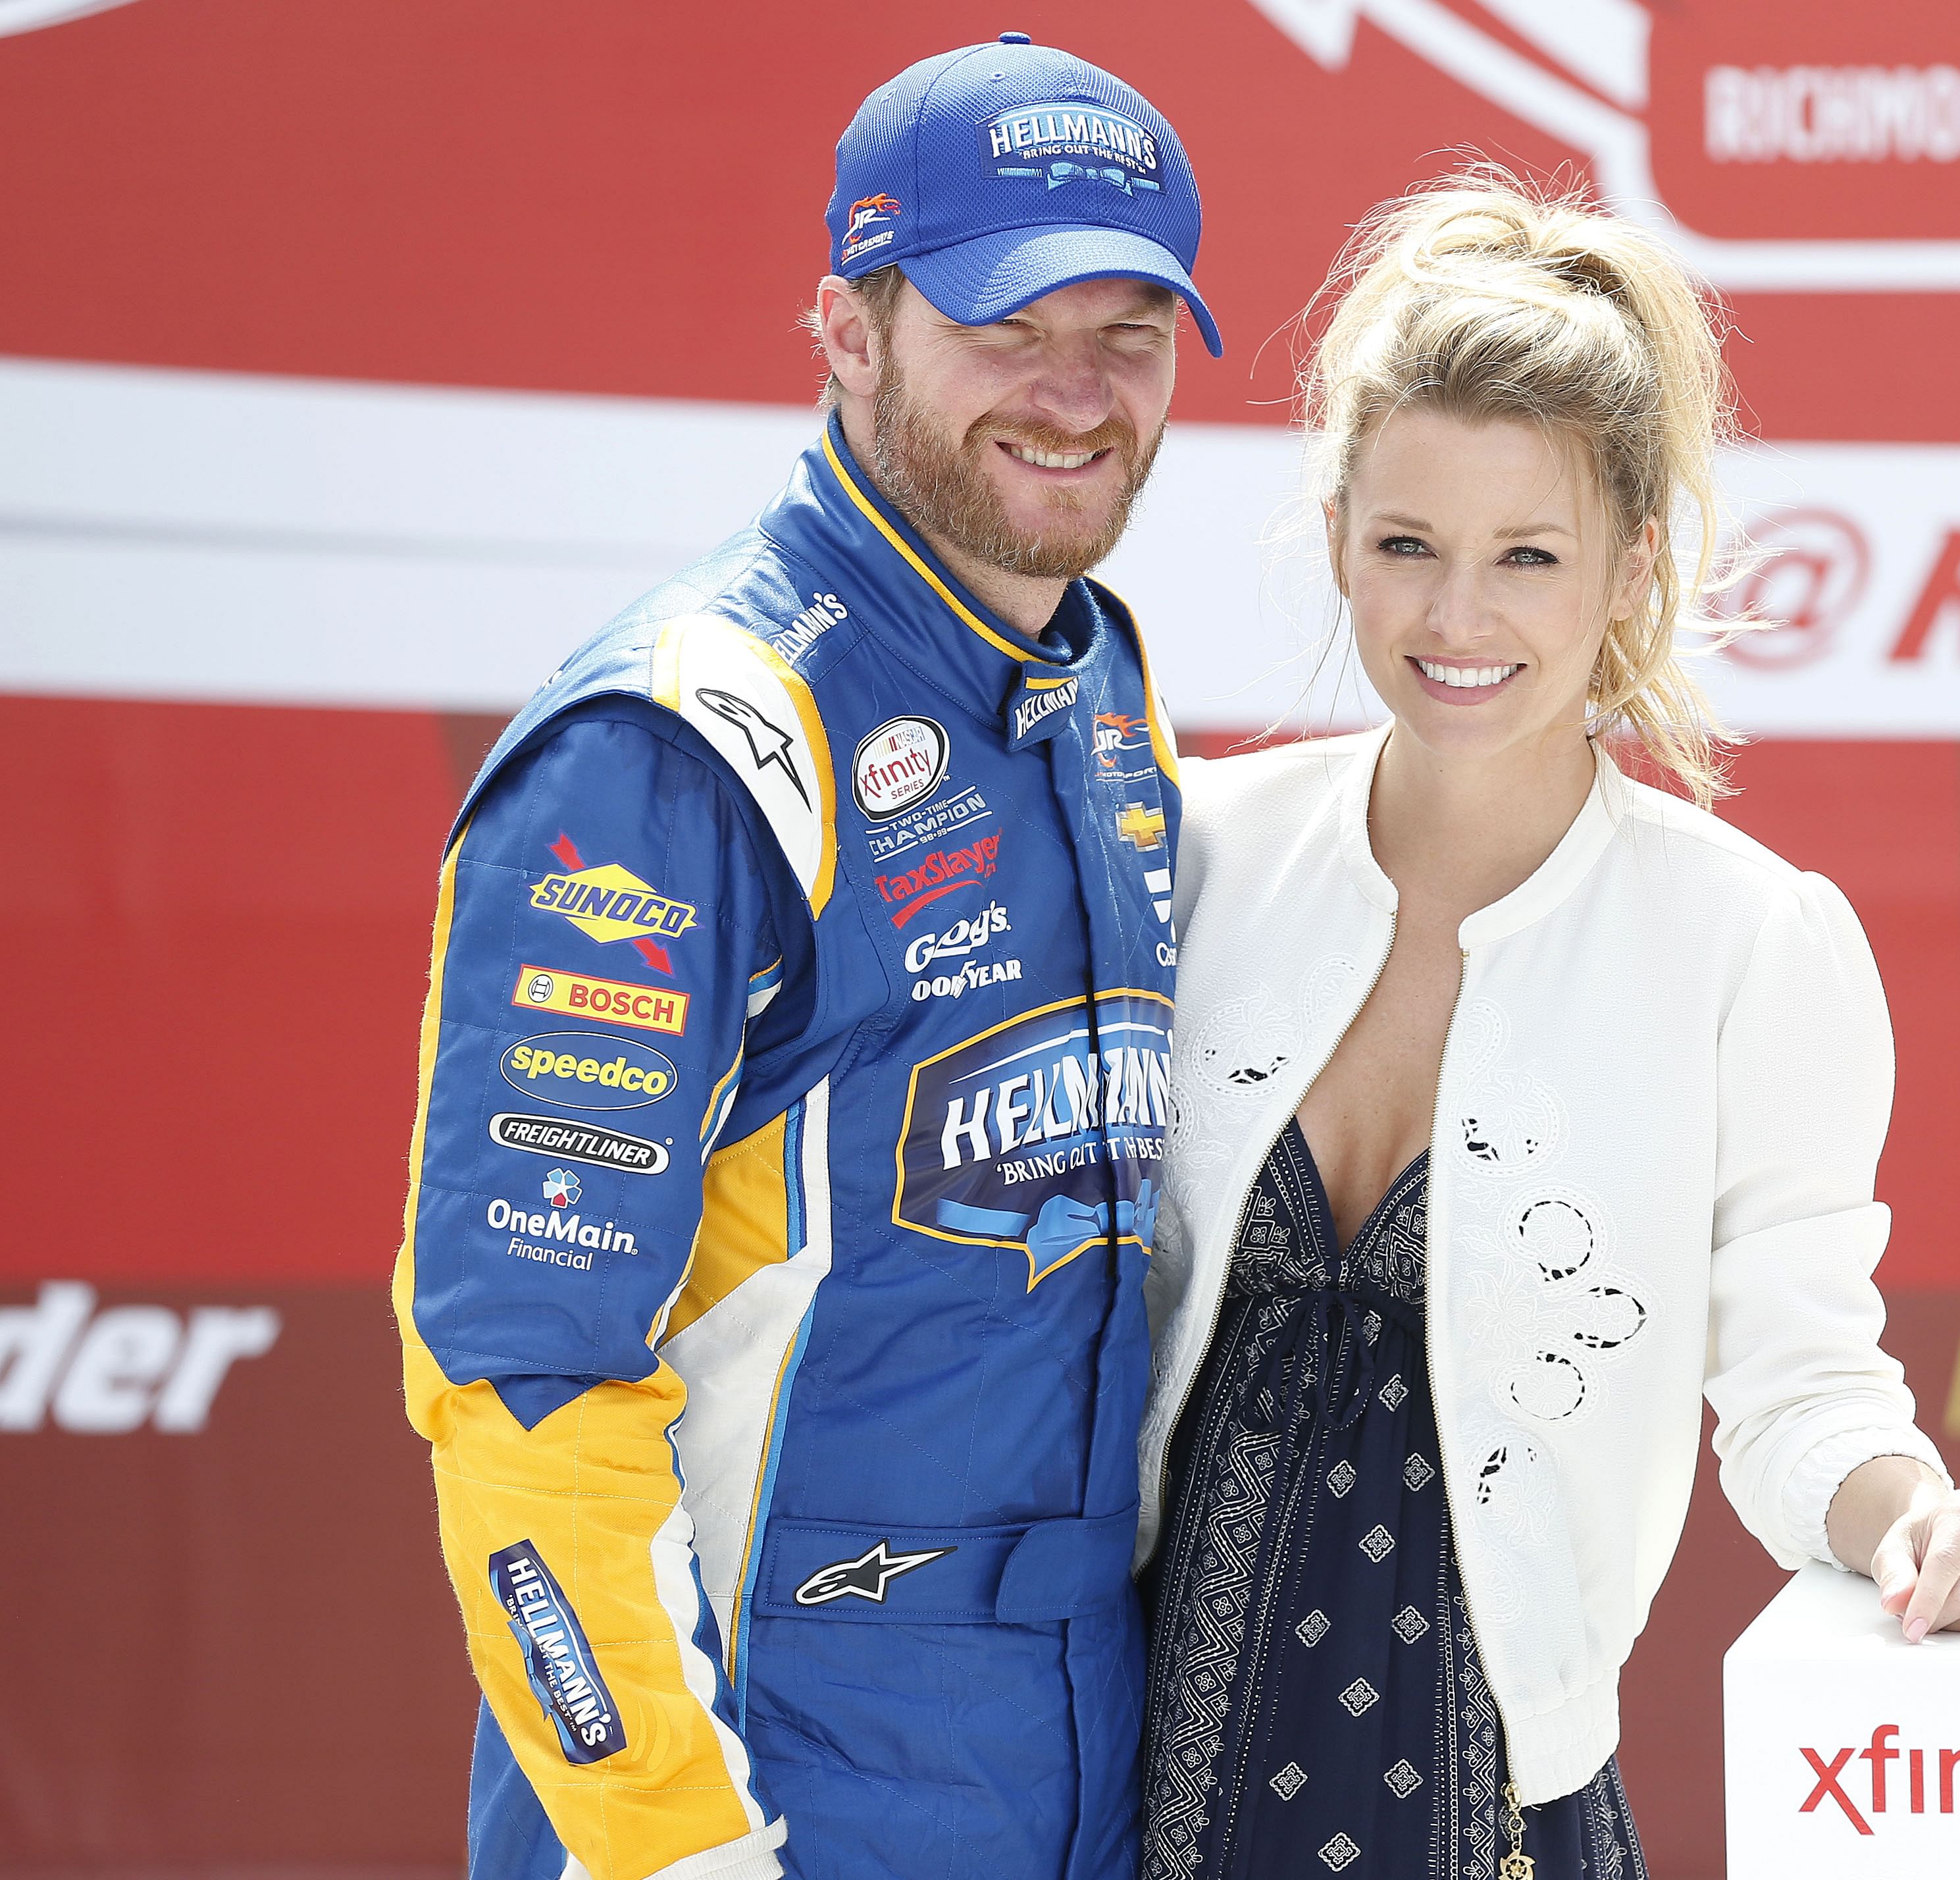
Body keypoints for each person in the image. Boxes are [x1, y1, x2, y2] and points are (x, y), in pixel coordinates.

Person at [1132, 176, 1960, 1879]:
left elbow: (1797, 1390)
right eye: (1405, 545)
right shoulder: (1180, 856)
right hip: (1105, 1798)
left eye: (1525, 558)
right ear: (1333, 531)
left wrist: (1913, 1516)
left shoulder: (1744, 942)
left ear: (1630, 570)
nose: (1455, 619)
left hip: (1488, 1818)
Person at [392, 38, 1215, 1880]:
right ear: (848, 328)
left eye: (1133, 335)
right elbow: (521, 1384)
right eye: (1010, 325)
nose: (1077, 398)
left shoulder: (1102, 697)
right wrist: (682, 1853)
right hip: (766, 1797)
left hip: (1066, 1790)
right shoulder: (679, 744)